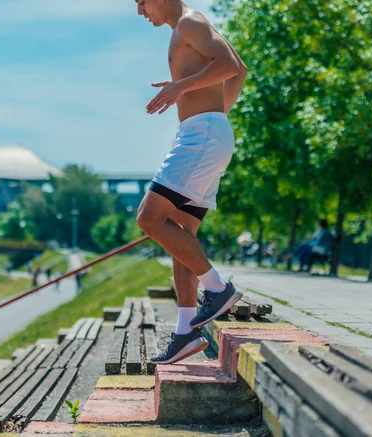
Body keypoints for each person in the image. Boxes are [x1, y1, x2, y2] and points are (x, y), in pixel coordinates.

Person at [135, 0, 247, 365]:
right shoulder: (187, 29)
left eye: (141, 1)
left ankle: (217, 287)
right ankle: (186, 331)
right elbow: (240, 71)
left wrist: (182, 90)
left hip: (201, 136)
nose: (140, 11)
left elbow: (229, 66)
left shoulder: (189, 23)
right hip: (207, 132)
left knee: (149, 219)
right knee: (182, 234)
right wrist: (213, 110)